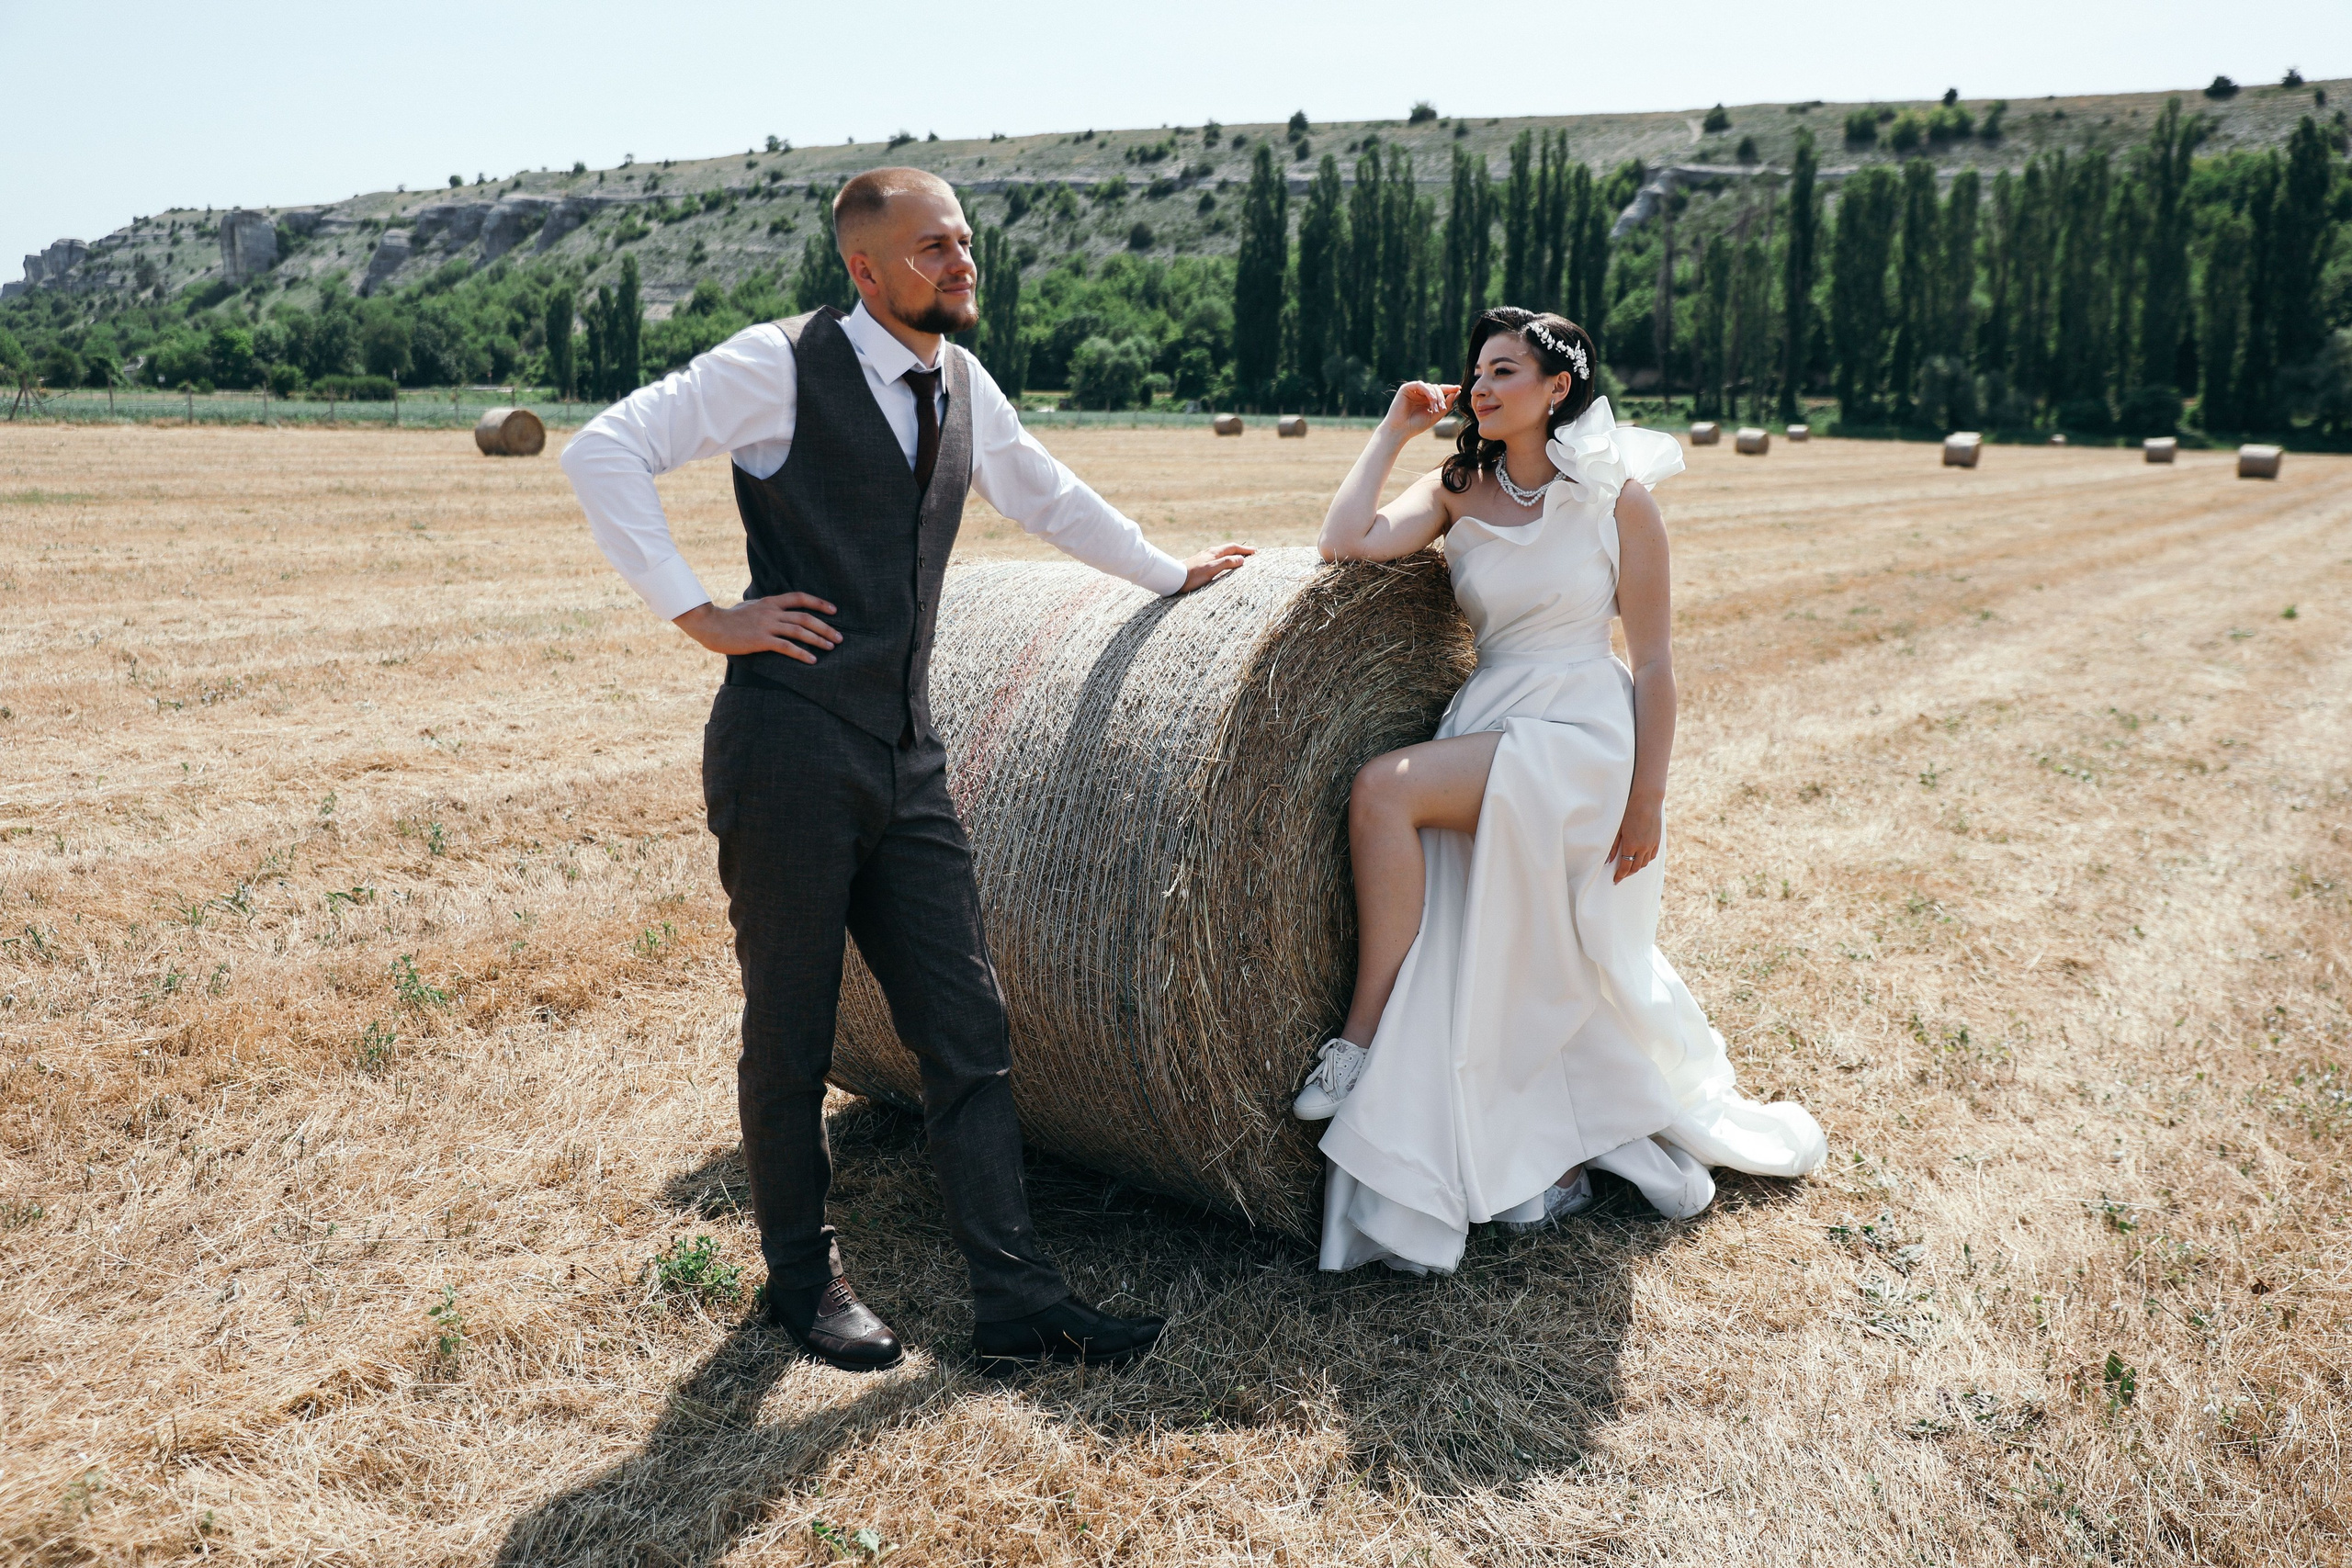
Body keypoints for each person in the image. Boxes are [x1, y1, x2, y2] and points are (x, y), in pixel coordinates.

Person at [562, 166, 1252, 1367]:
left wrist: (1168, 573)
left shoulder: (964, 381)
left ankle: (1017, 1297)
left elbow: (1048, 493)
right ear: (866, 268)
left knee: (967, 1021)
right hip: (785, 751)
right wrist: (701, 611)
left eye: (966, 242)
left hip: (906, 751)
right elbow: (603, 450)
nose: (961, 262)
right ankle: (798, 1278)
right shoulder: (773, 363)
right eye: (933, 247)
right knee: (790, 1025)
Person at [1295, 306, 1826, 1274]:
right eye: (1477, 371)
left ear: (1558, 389)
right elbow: (1344, 542)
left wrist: (1647, 801)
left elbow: (1657, 664)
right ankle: (1534, 1137)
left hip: (1581, 732)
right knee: (1485, 937)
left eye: (1506, 370)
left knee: (1382, 790)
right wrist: (1392, 429)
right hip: (1494, 717)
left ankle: (1359, 1042)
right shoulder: (1456, 487)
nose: (1483, 386)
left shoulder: (1617, 500)